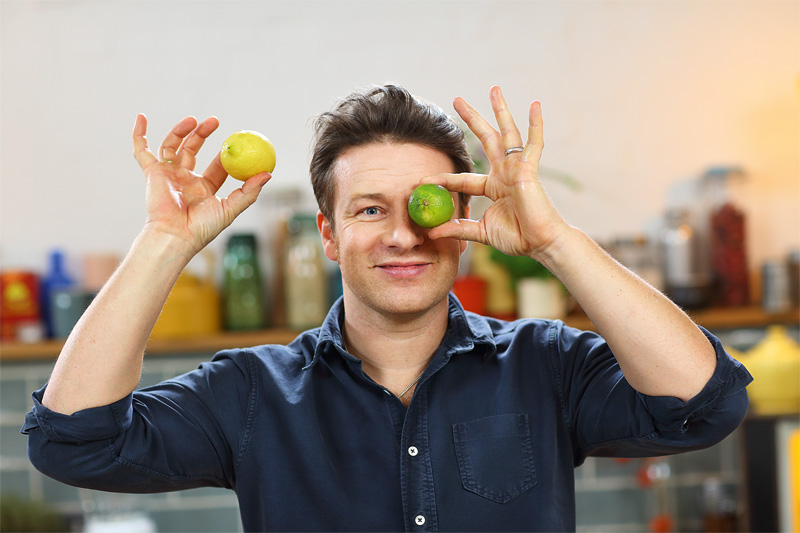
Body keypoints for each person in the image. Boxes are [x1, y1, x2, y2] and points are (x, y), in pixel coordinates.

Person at [23, 84, 751, 532]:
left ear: (462, 222)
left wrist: (555, 241)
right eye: (370, 209)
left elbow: (704, 406)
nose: (403, 235)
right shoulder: (250, 392)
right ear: (329, 234)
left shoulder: (547, 363)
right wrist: (163, 244)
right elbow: (73, 442)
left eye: (423, 205)